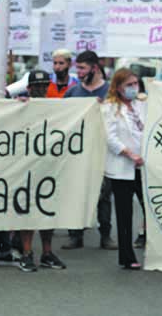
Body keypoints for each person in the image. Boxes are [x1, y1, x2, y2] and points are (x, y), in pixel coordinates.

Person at [14, 70, 67, 272]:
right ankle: (27, 253)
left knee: (48, 209)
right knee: (27, 209)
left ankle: (47, 252)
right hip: (26, 166)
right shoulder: (20, 106)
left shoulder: (55, 107)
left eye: (44, 86)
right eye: (37, 86)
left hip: (50, 165)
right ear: (28, 88)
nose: (41, 90)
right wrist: (16, 106)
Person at [62, 50, 116, 250]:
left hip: (102, 151)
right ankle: (75, 234)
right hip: (78, 152)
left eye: (83, 68)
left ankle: (106, 235)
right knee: (76, 192)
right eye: (78, 68)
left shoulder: (110, 92)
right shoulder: (73, 92)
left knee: (103, 195)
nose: (79, 72)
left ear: (94, 68)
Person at [103, 68, 145, 270]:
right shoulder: (110, 107)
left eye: (136, 83)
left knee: (150, 208)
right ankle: (127, 256)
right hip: (123, 167)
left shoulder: (141, 105)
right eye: (129, 85)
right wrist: (130, 154)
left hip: (144, 166)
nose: (133, 88)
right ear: (118, 87)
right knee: (125, 213)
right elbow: (110, 138)